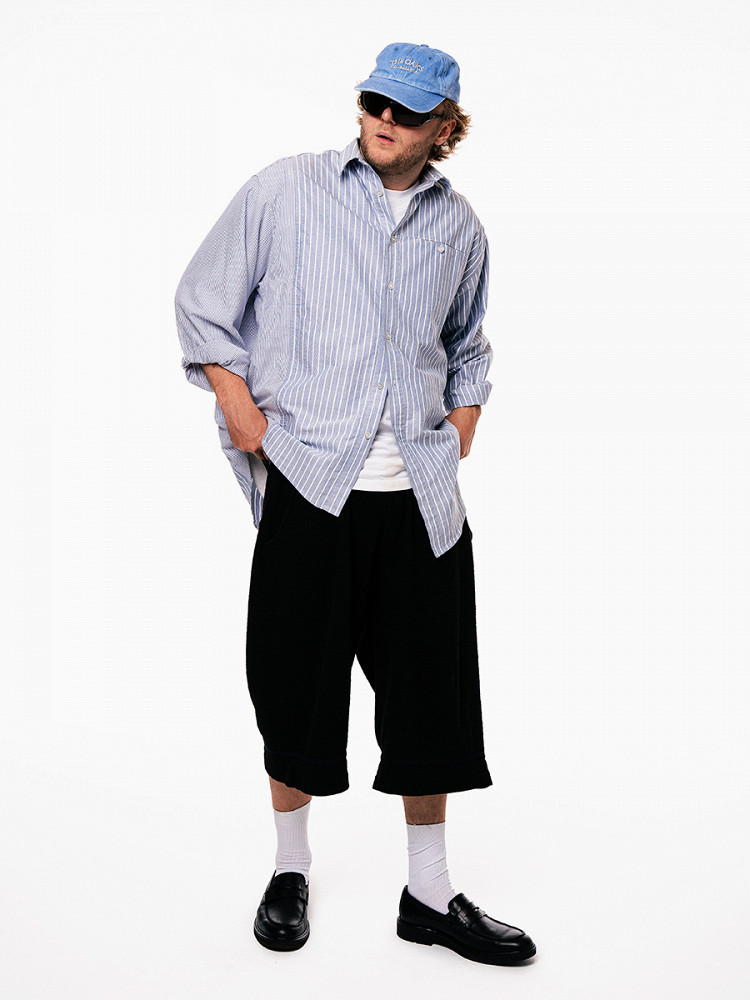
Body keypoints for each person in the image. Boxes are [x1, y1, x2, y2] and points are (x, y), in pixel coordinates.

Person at [175, 41, 536, 966]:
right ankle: (290, 869)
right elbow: (203, 303)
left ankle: (430, 893)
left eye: (407, 112)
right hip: (311, 484)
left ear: (444, 128)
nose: (383, 120)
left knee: (432, 701)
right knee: (294, 689)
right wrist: (242, 410)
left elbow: (468, 343)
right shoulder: (286, 190)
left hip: (422, 500)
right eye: (376, 101)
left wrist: (460, 427)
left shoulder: (461, 227)